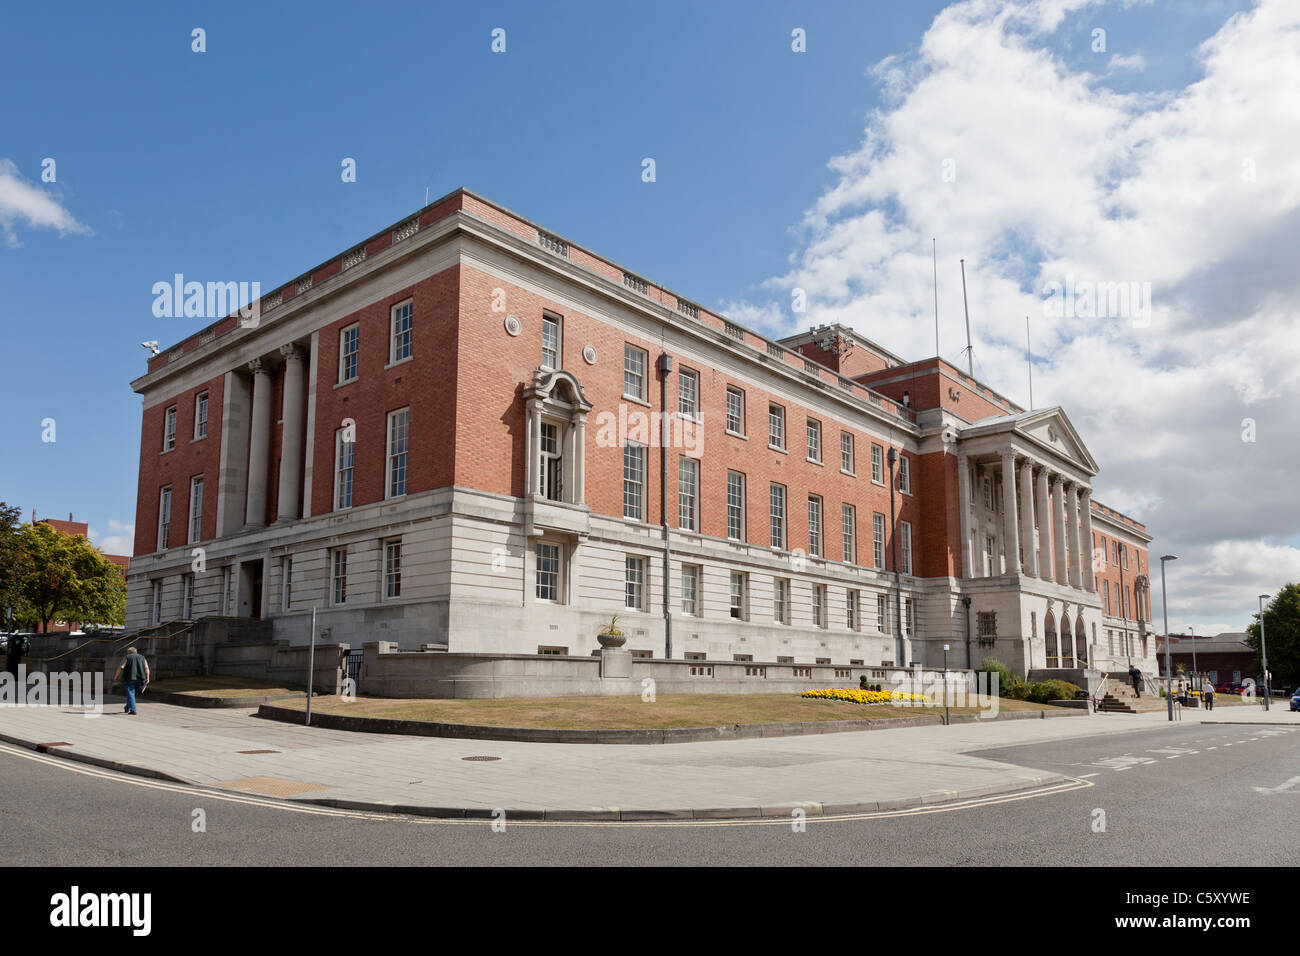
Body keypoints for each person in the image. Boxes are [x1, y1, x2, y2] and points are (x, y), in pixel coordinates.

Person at [113, 646, 150, 715]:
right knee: (132, 695)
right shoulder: (142, 657)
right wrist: (148, 678)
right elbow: (146, 668)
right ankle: (127, 708)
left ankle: (133, 710)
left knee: (131, 694)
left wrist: (116, 676)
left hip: (130, 678)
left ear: (128, 652)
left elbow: (121, 667)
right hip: (140, 679)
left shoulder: (127, 657)